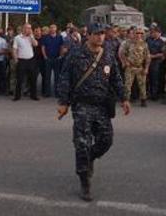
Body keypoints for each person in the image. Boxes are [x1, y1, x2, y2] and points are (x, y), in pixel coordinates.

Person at [56, 23, 131, 202]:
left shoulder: (108, 54)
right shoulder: (75, 54)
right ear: (88, 35)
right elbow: (65, 77)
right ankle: (85, 181)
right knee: (82, 143)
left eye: (102, 34)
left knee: (106, 140)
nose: (100, 37)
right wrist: (63, 102)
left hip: (102, 105)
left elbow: (116, 79)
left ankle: (87, 159)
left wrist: (124, 98)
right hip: (82, 105)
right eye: (96, 34)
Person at [122, 28, 150, 107]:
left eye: (140, 33)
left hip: (140, 67)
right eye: (137, 33)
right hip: (130, 67)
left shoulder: (144, 44)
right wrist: (125, 62)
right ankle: (126, 100)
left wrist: (146, 68)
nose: (138, 35)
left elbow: (147, 57)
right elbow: (122, 54)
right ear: (134, 34)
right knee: (127, 85)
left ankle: (143, 100)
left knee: (142, 85)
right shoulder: (128, 43)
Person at [13, 23, 39, 101]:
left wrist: (31, 36)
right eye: (27, 28)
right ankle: (17, 96)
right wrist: (15, 59)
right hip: (21, 60)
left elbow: (36, 44)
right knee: (19, 79)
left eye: (30, 28)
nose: (29, 29)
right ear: (23, 29)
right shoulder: (17, 38)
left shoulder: (31, 37)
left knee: (33, 79)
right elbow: (14, 49)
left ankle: (33, 95)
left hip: (30, 60)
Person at [41, 24, 64, 97]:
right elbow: (43, 47)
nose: (52, 29)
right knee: (47, 76)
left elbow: (62, 47)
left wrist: (61, 55)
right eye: (51, 28)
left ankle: (57, 93)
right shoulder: (45, 37)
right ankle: (47, 93)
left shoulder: (59, 37)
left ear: (56, 29)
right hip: (48, 59)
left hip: (57, 58)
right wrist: (44, 56)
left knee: (57, 77)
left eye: (53, 28)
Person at [146, 25, 166, 101]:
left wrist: (153, 56)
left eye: (157, 32)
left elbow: (163, 53)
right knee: (149, 79)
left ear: (160, 33)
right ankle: (149, 93)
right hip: (147, 62)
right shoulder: (148, 40)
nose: (155, 33)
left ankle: (155, 95)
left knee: (155, 79)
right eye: (154, 32)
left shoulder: (161, 42)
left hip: (156, 62)